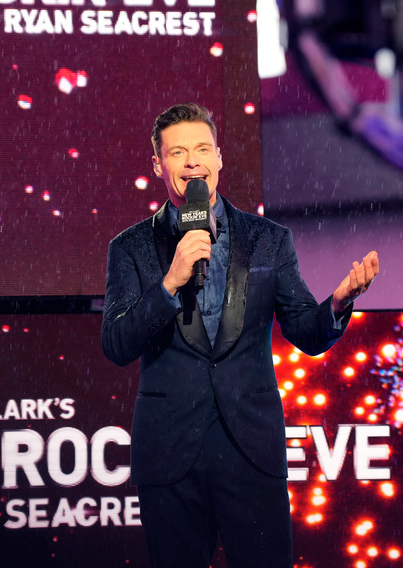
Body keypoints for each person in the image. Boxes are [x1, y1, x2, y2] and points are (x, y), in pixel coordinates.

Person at [101, 103, 379, 568]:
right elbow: (116, 344)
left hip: (251, 448)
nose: (192, 162)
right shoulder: (130, 248)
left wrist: (338, 302)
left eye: (203, 149)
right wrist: (169, 284)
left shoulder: (268, 239)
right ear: (158, 165)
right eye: (178, 152)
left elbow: (305, 333)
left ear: (219, 158)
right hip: (169, 453)